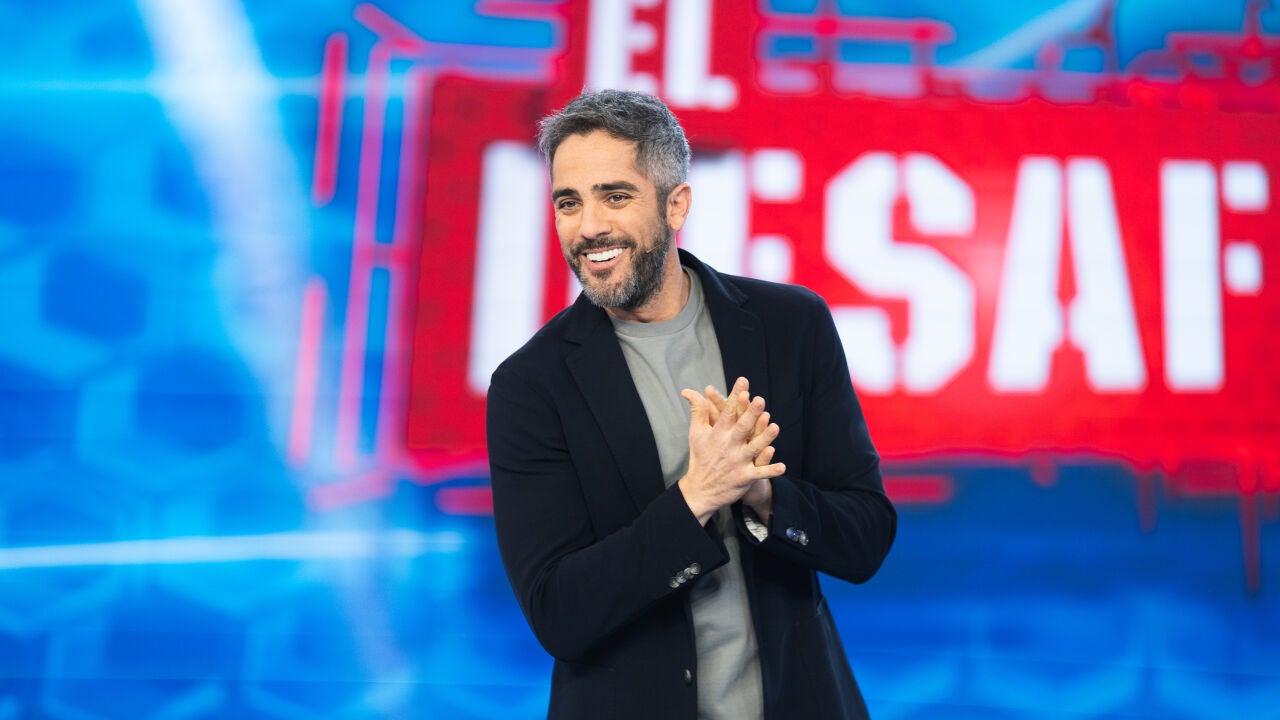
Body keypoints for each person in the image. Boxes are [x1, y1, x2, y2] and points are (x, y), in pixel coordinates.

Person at [486, 89, 897, 720]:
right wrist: (697, 497)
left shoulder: (792, 326)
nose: (588, 226)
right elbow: (559, 613)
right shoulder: (530, 386)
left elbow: (865, 537)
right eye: (569, 202)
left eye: (614, 196)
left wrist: (763, 495)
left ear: (676, 203)